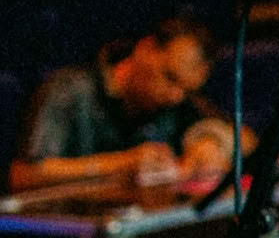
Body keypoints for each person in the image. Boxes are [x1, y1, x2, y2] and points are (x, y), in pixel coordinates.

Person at [10, 12, 237, 191]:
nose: (175, 96)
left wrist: (211, 142)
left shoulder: (176, 101)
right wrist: (123, 164)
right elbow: (25, 174)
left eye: (186, 90)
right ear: (146, 49)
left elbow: (245, 137)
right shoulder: (69, 89)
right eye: (170, 78)